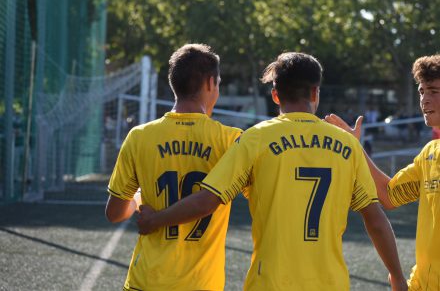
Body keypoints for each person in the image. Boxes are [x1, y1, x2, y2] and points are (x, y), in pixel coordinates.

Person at [137, 52, 407, 290]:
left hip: (270, 283)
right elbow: (375, 219)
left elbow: (207, 200)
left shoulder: (256, 139)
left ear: (275, 95)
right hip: (330, 283)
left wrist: (156, 220)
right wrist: (397, 276)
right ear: (315, 93)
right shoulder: (347, 144)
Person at [105, 43, 242, 290]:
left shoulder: (140, 136)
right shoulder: (231, 140)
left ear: (173, 84)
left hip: (146, 280)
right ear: (211, 83)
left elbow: (114, 213)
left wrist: (138, 198)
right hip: (202, 284)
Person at [325, 54, 440, 291]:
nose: (425, 100)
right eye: (421, 92)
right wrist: (355, 148)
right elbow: (389, 195)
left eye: (434, 92)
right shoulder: (430, 152)